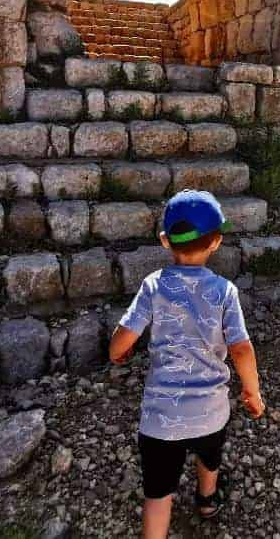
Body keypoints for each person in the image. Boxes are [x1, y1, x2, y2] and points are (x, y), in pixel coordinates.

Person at [109, 190, 264, 539]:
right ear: (217, 242)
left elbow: (124, 334)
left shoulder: (153, 285)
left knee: (158, 494)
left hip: (161, 420)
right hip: (211, 411)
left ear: (165, 241)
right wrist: (252, 392)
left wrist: (116, 352)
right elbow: (241, 348)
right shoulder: (225, 291)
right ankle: (207, 499)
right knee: (210, 458)